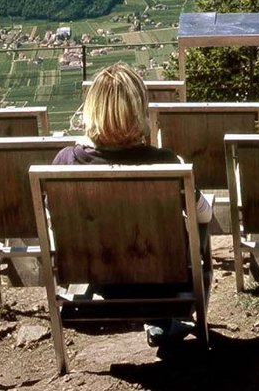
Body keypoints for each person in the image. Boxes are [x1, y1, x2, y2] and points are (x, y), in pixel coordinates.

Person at [53, 64, 199, 349]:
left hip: (98, 280)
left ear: (91, 108)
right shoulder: (166, 162)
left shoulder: (65, 161)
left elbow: (52, 219)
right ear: (139, 109)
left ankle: (160, 326)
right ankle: (163, 324)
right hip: (164, 283)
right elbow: (202, 213)